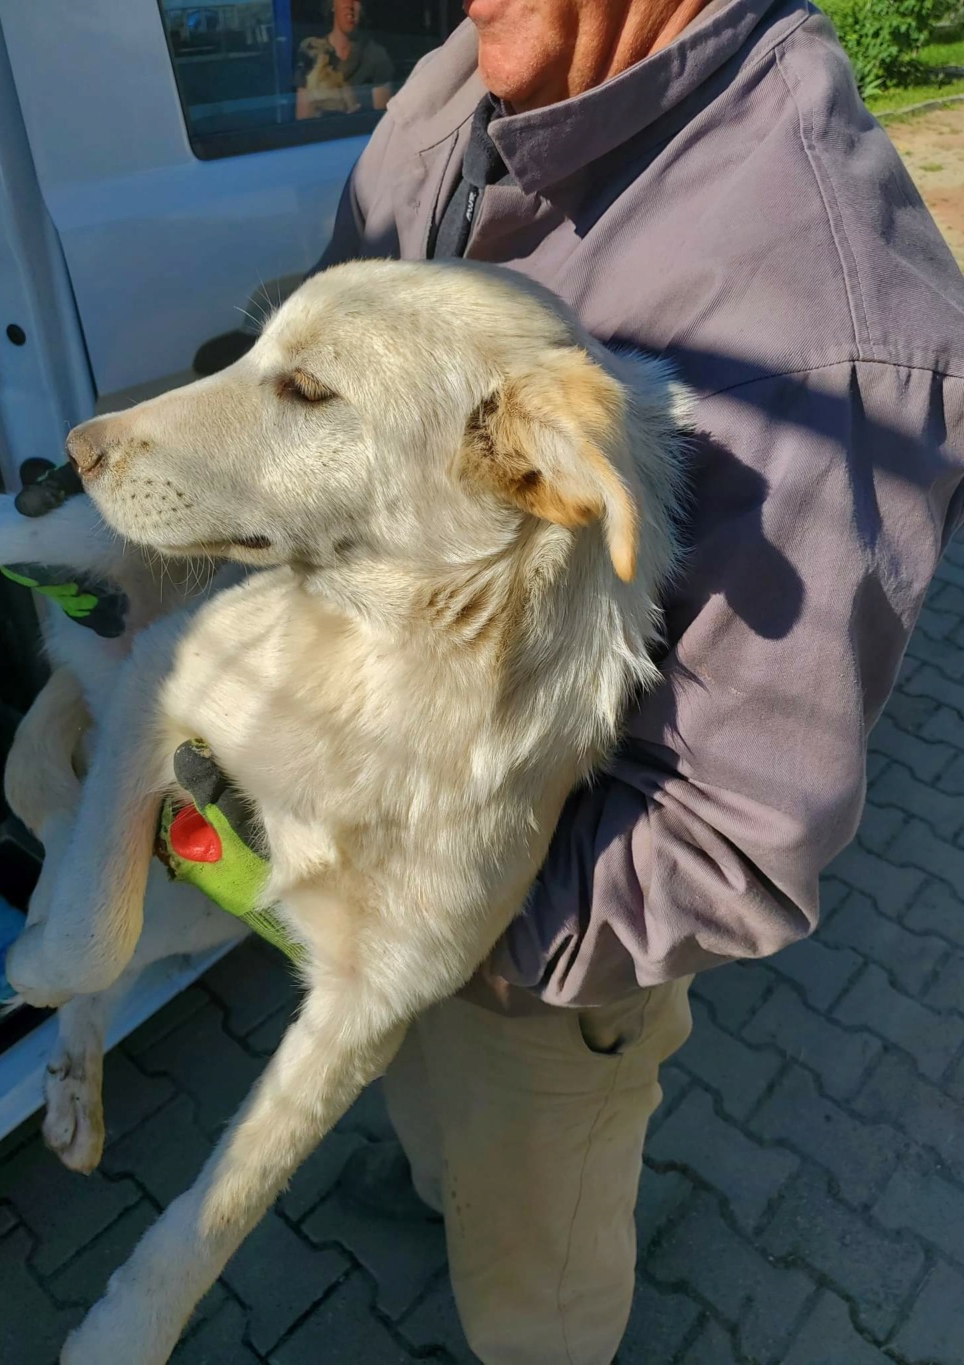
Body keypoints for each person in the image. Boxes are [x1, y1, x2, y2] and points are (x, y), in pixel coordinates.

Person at [302, 1, 964, 1362]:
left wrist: (447, 925)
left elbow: (723, 844)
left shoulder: (826, 319)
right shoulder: (465, 82)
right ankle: (440, 1184)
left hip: (531, 959)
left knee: (533, 1280)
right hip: (386, 852)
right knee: (428, 1111)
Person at [294, 0, 393, 120]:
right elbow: (303, 121)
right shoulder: (310, 52)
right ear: (332, 5)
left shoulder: (376, 56)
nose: (350, 5)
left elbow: (382, 122)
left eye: (356, 1)